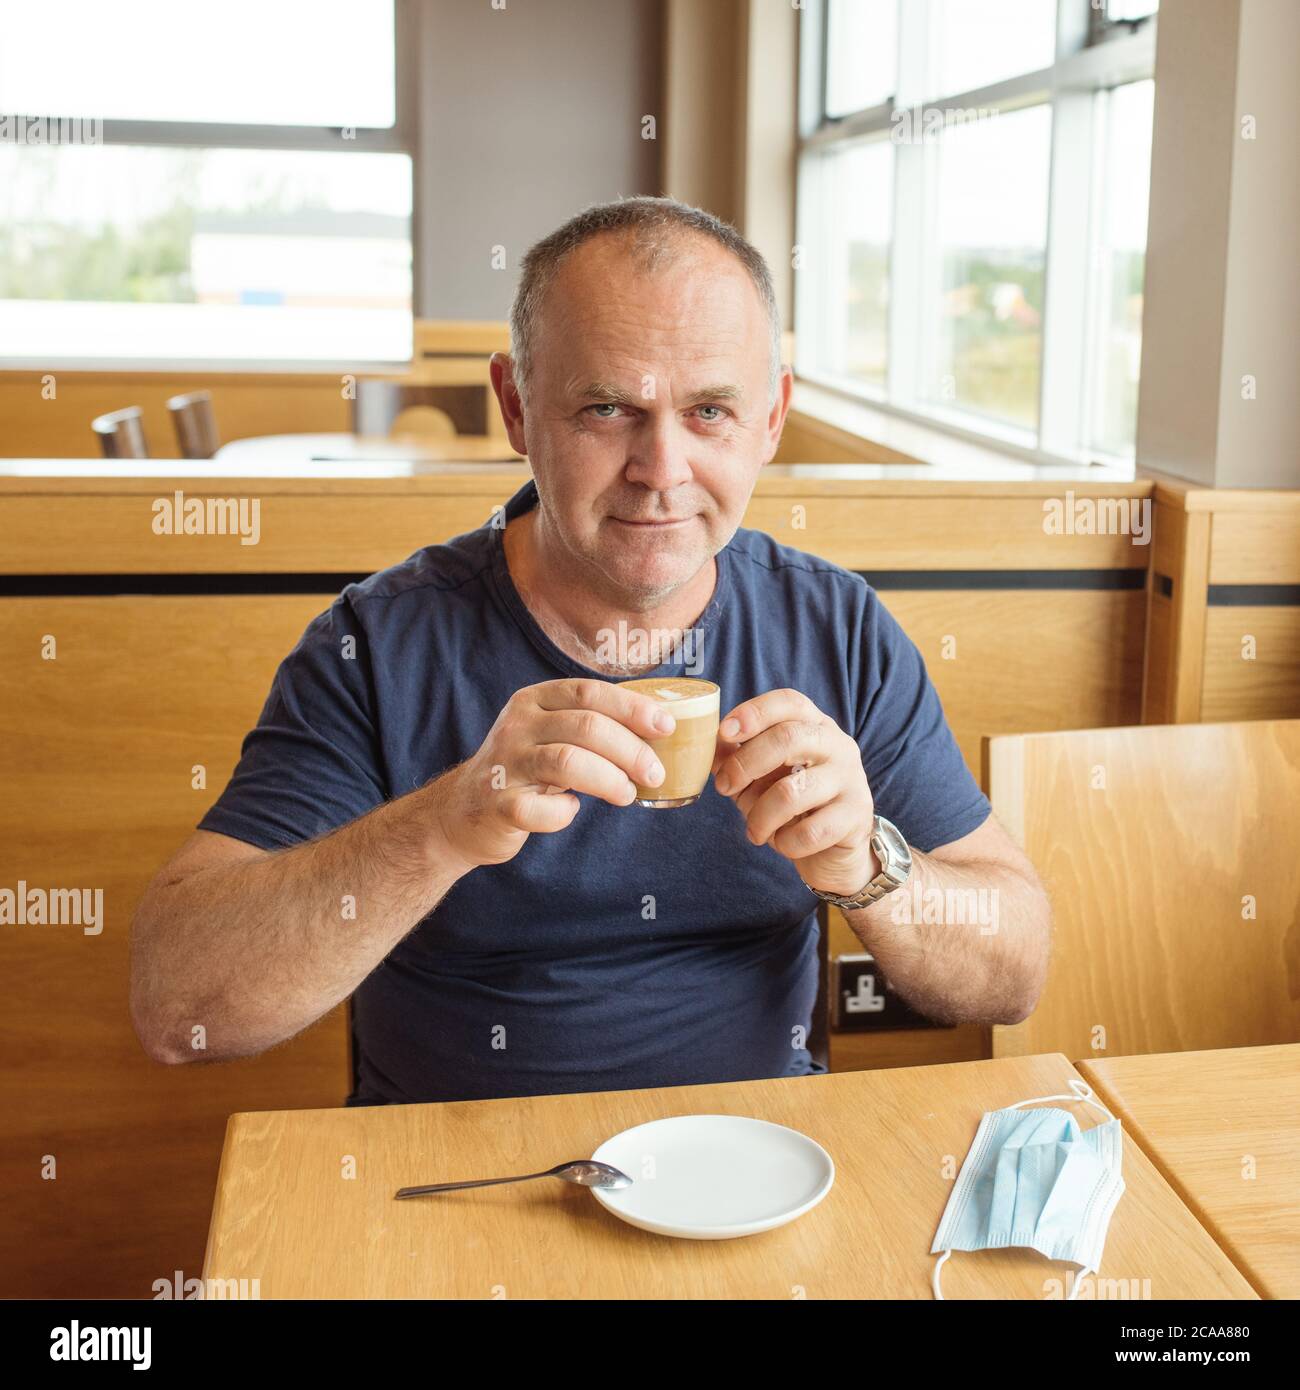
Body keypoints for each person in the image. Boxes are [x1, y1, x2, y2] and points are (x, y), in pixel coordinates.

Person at [129, 196, 1050, 1104]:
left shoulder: (837, 631)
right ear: (517, 408)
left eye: (710, 411)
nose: (662, 470)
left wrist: (866, 865)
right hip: (452, 1186)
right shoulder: (378, 643)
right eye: (608, 409)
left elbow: (1013, 975)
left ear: (771, 418)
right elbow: (176, 1006)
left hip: (755, 1169)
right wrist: (446, 825)